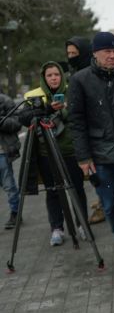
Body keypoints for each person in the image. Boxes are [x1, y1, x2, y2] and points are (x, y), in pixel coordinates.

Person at [68, 31, 114, 276]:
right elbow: (76, 122)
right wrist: (83, 157)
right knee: (110, 207)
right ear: (95, 54)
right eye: (107, 52)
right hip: (99, 157)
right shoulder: (80, 80)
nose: (112, 55)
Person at [18, 62, 89, 245]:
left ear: (62, 76)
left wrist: (64, 109)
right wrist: (47, 109)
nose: (53, 78)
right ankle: (57, 228)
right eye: (49, 75)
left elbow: (81, 116)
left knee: (77, 188)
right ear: (44, 77)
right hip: (46, 152)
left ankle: (82, 224)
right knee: (53, 192)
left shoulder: (72, 91)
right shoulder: (35, 96)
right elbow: (24, 119)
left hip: (70, 151)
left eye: (56, 74)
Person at [66, 36, 106, 225]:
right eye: (69, 54)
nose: (71, 57)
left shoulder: (90, 74)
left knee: (97, 175)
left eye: (75, 53)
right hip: (84, 134)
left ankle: (103, 205)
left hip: (98, 134)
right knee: (92, 173)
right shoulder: (75, 73)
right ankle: (102, 202)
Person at [0, 92, 21, 230]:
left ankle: (15, 212)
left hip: (2, 151)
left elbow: (17, 123)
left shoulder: (5, 100)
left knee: (8, 184)